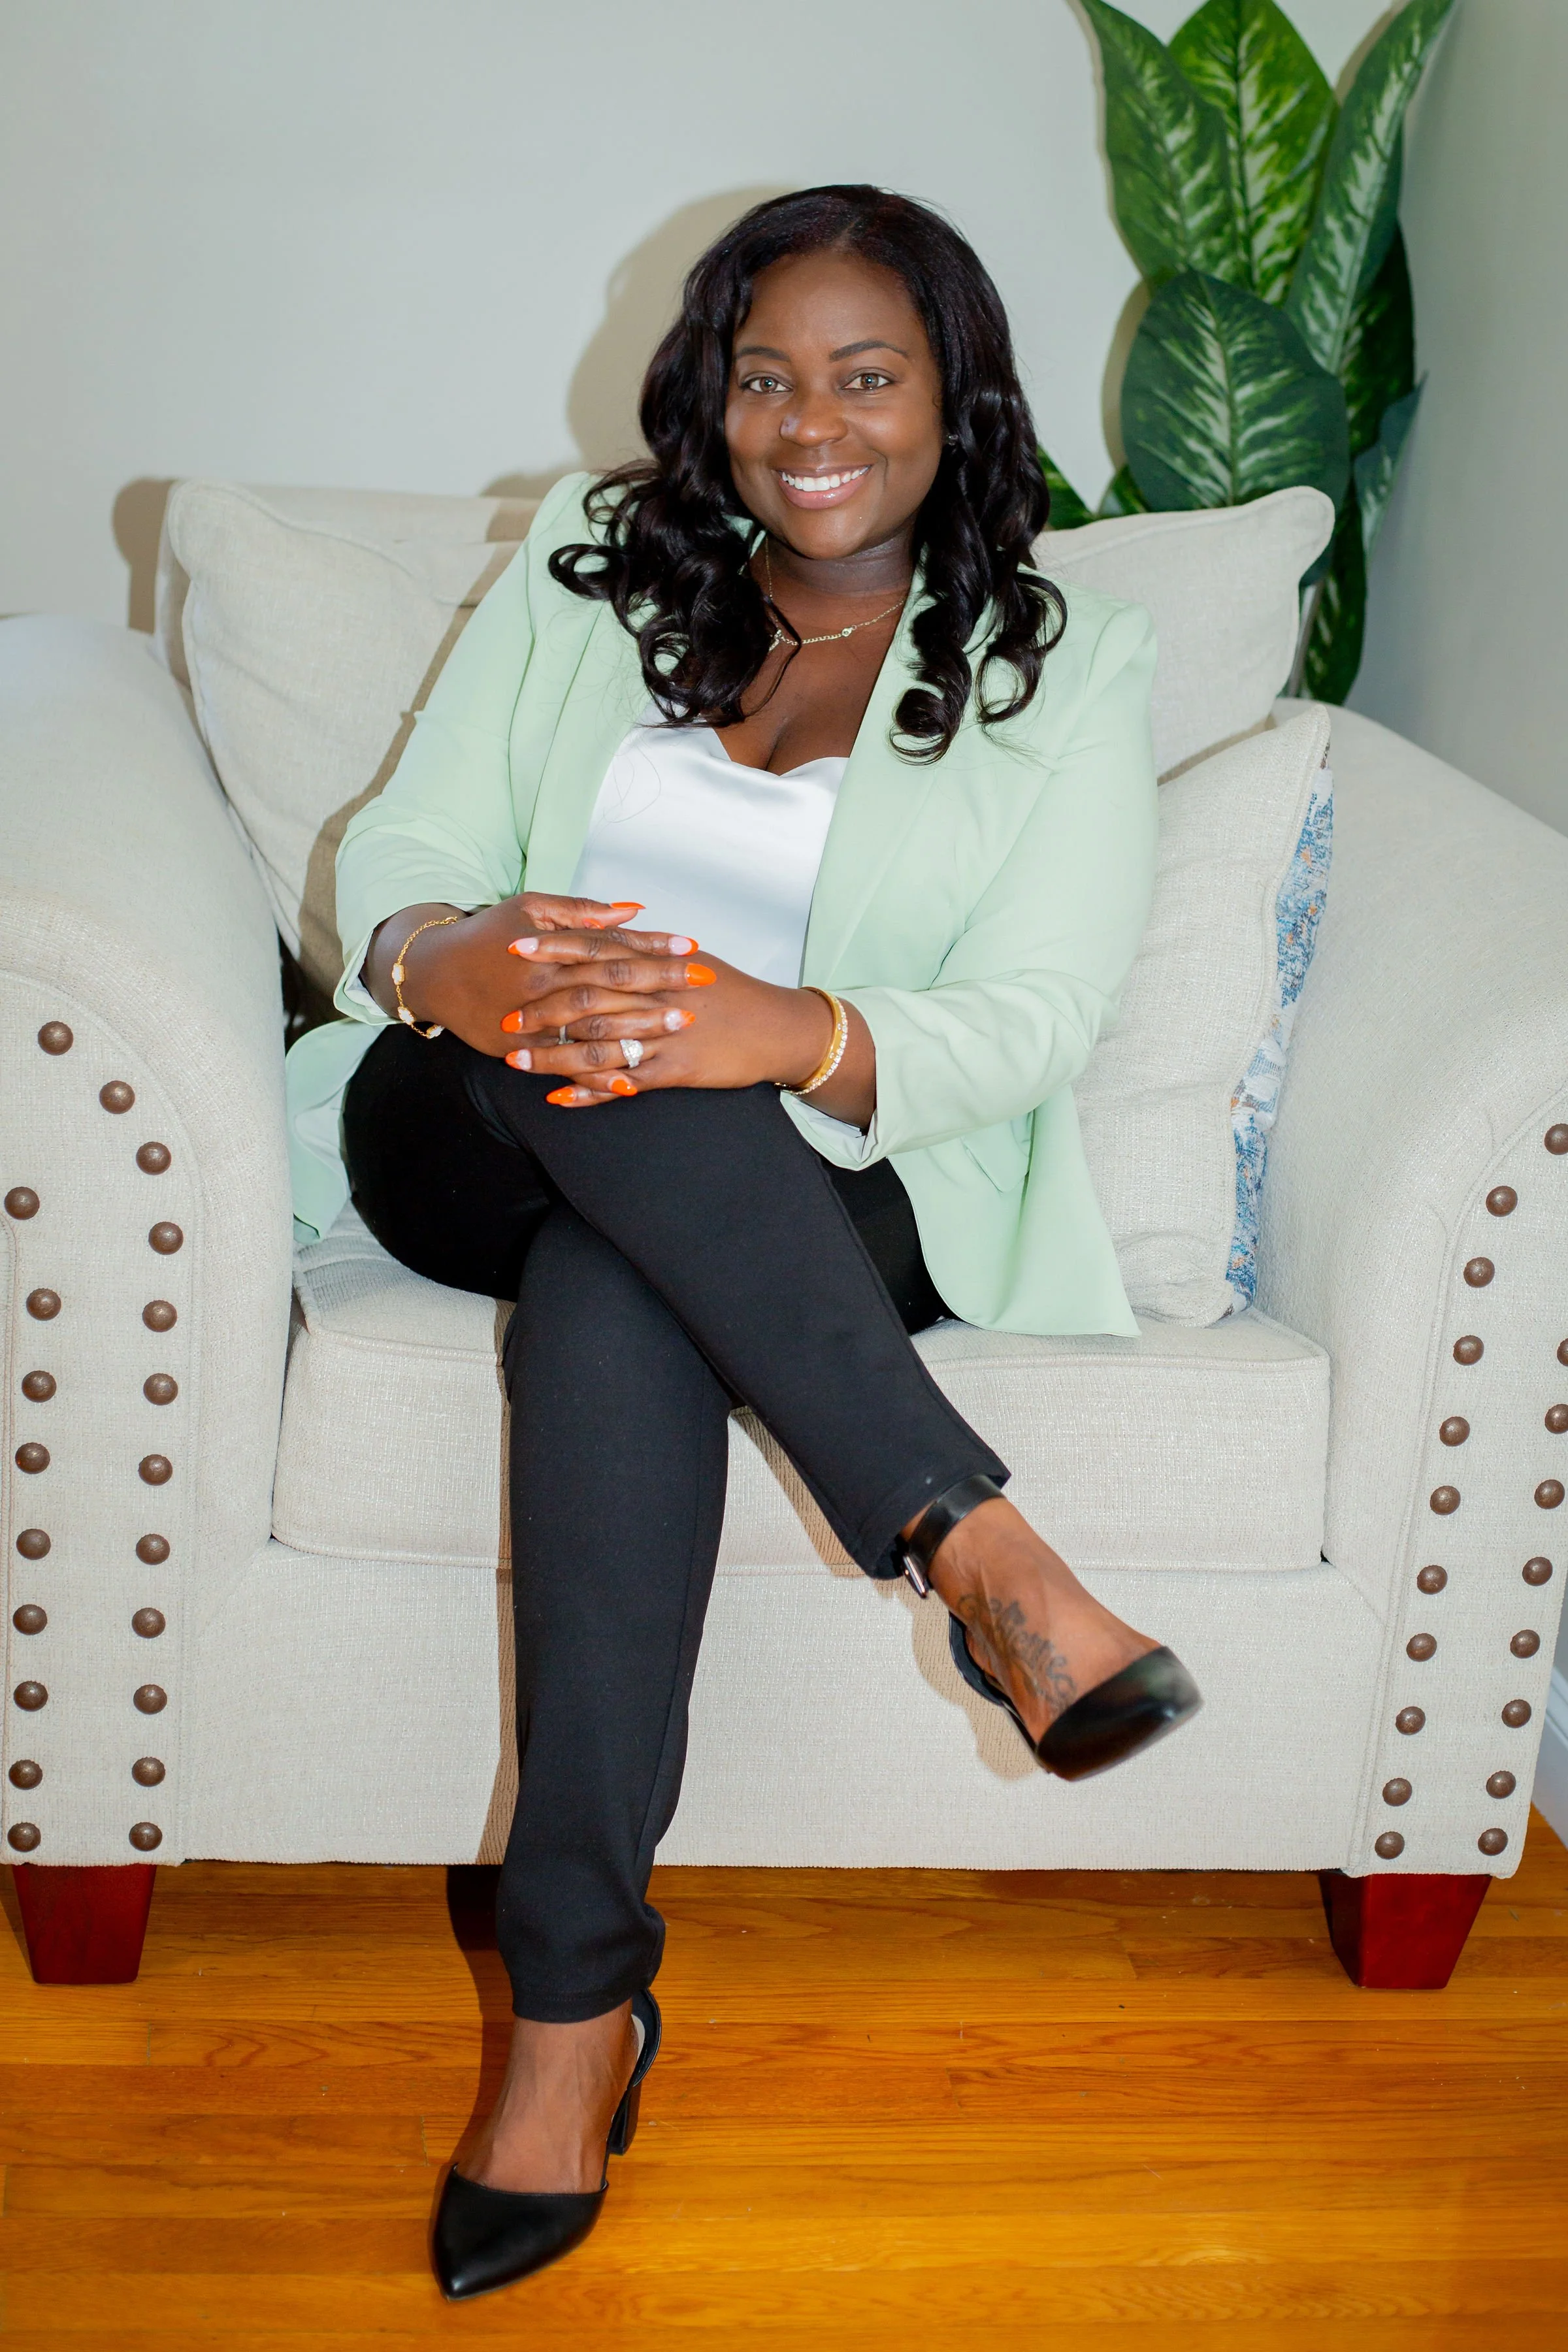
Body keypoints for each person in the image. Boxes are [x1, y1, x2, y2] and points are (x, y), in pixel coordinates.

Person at [289, 184, 1200, 2302]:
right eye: (765, 373)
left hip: (812, 1181)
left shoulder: (1065, 662)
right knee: (590, 1044)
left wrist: (783, 1028)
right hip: (472, 1114)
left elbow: (1042, 1017)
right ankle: (978, 1545)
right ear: (707, 397)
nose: (813, 420)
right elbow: (407, 852)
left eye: (867, 375)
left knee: (633, 1280)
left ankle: (570, 2014)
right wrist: (462, 957)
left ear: (952, 406)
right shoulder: (585, 567)